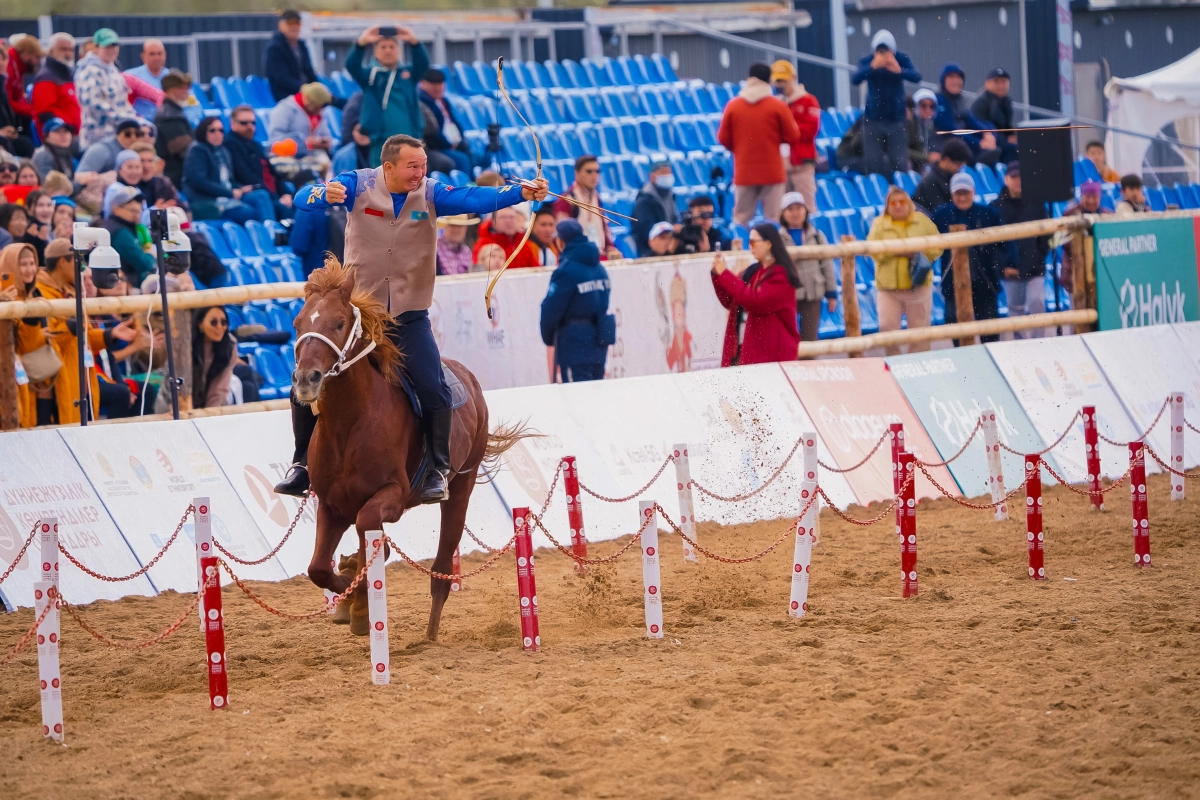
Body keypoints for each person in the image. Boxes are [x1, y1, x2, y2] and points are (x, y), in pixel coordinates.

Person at [279, 133, 549, 500]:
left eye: (423, 165)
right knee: (306, 381)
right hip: (358, 318)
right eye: (412, 166)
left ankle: (437, 468)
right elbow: (302, 198)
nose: (420, 172)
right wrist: (321, 195)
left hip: (408, 317)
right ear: (388, 166)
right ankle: (301, 465)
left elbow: (473, 197)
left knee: (433, 385)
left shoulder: (432, 192)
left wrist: (521, 194)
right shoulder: (356, 184)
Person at [717, 62, 800, 226]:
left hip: (744, 170)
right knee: (774, 218)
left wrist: (740, 149)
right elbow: (793, 135)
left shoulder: (734, 106)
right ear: (769, 80)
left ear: (749, 79)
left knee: (741, 218)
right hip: (772, 171)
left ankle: (740, 251)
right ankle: (773, 251)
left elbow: (722, 138)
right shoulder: (777, 106)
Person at [712, 223, 800, 367]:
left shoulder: (780, 275)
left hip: (773, 356)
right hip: (748, 349)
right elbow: (730, 301)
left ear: (768, 244)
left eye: (753, 242)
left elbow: (756, 301)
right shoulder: (754, 272)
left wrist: (725, 274)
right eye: (749, 242)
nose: (750, 246)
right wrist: (717, 275)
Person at [868, 186, 943, 355]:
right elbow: (873, 250)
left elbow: (938, 246)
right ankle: (895, 361)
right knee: (887, 327)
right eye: (893, 203)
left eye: (902, 202)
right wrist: (898, 251)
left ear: (909, 203)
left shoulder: (922, 221)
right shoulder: (879, 224)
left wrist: (919, 252)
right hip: (888, 287)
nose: (898, 206)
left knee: (920, 331)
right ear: (887, 206)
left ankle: (918, 363)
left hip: (918, 284)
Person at [38, 237, 105, 423]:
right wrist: (70, 327)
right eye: (77, 261)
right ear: (62, 262)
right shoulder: (40, 294)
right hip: (56, 380)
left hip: (79, 375)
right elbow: (48, 339)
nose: (81, 266)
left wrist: (109, 336)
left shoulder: (71, 292)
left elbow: (86, 337)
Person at [932, 172, 1004, 343]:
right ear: (952, 194)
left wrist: (1004, 266)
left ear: (973, 192)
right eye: (958, 193)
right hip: (952, 282)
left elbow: (1004, 244)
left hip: (984, 281)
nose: (962, 197)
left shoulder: (989, 214)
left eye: (965, 192)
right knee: (953, 321)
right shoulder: (941, 215)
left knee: (990, 326)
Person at [539, 219, 611, 382]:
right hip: (598, 343)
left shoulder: (566, 271)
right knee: (597, 395)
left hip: (574, 346)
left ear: (561, 241)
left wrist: (548, 338)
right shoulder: (600, 268)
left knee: (577, 399)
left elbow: (550, 309)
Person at [346, 26, 428, 166]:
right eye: (383, 47)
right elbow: (351, 65)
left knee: (413, 177)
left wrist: (414, 42)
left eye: (392, 46)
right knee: (380, 180)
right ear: (375, 52)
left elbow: (423, 64)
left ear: (399, 51)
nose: (388, 50)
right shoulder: (369, 75)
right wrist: (362, 42)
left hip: (410, 137)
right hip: (380, 140)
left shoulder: (408, 73)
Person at [990, 162, 1049, 338]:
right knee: (1015, 310)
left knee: (1037, 303)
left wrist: (1038, 258)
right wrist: (1003, 266)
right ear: (1006, 179)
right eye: (1014, 177)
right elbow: (993, 243)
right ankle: (1021, 346)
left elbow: (1046, 236)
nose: (1018, 182)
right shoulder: (995, 207)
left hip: (1034, 267)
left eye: (1021, 178)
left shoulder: (1037, 204)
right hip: (1009, 269)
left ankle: (1040, 344)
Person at [852, 30, 921, 176]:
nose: (884, 55)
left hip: (896, 119)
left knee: (899, 163)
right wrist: (872, 67)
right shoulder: (869, 61)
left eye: (886, 50)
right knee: (873, 164)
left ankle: (899, 194)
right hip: (873, 119)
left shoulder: (900, 59)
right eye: (880, 50)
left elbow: (916, 77)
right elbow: (855, 79)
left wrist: (899, 71)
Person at [183, 116, 276, 223]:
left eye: (221, 130)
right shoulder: (197, 150)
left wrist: (240, 188)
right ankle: (266, 235)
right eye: (212, 130)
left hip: (226, 196)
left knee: (261, 195)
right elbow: (199, 182)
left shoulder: (223, 151)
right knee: (248, 211)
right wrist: (230, 193)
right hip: (205, 201)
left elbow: (229, 180)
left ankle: (273, 232)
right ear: (203, 131)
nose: (217, 134)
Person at [777, 192, 836, 345]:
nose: (795, 212)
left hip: (813, 294)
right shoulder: (777, 238)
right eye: (790, 209)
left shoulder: (817, 236)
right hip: (787, 296)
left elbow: (827, 265)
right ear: (783, 213)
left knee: (810, 338)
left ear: (805, 211)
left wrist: (831, 294)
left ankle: (809, 367)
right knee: (786, 338)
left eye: (799, 208)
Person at [226, 104, 293, 218]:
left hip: (272, 194)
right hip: (258, 194)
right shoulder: (230, 145)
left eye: (253, 123)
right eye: (244, 123)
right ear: (233, 124)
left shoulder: (256, 145)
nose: (250, 126)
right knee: (281, 208)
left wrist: (286, 194)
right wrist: (277, 198)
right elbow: (246, 176)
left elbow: (274, 175)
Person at [770, 59, 820, 212]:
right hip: (781, 165)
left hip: (801, 164)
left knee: (807, 207)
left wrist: (787, 128)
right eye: (778, 81)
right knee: (782, 210)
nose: (781, 85)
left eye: (784, 80)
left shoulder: (808, 100)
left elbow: (810, 130)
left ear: (793, 78)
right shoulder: (775, 103)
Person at [75, 28, 137, 148]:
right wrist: (124, 120)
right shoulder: (88, 71)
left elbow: (123, 102)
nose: (111, 50)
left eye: (114, 46)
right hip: (97, 141)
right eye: (107, 46)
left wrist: (134, 119)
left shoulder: (114, 71)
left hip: (118, 137)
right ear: (96, 48)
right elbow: (94, 105)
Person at [552, 155, 621, 259]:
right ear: (577, 173)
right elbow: (563, 238)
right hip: (579, 258)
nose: (594, 176)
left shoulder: (596, 197)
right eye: (589, 171)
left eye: (597, 171)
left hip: (599, 255)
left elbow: (604, 227)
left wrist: (610, 247)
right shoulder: (566, 200)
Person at [933, 63, 1001, 166]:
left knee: (990, 127)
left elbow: (971, 119)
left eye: (958, 77)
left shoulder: (959, 100)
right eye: (951, 77)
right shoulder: (939, 99)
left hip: (965, 139)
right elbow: (949, 129)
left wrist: (986, 134)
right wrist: (979, 143)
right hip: (949, 143)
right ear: (943, 80)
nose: (955, 81)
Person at [97, 184, 156, 283]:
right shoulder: (121, 232)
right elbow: (143, 263)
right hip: (124, 285)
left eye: (139, 212)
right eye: (132, 210)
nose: (137, 216)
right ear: (116, 209)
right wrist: (150, 254)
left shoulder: (114, 226)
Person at [417, 69, 471, 176]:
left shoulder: (444, 101)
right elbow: (431, 133)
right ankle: (464, 189)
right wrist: (449, 145)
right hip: (436, 148)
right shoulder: (422, 103)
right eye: (433, 83)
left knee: (477, 155)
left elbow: (454, 123)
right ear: (422, 84)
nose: (437, 87)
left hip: (451, 144)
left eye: (440, 83)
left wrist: (460, 141)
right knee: (462, 159)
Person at [32, 33, 79, 139]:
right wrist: (67, 128)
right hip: (60, 137)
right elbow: (44, 113)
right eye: (63, 49)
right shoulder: (46, 78)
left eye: (71, 50)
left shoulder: (70, 74)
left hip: (76, 134)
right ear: (51, 51)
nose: (68, 53)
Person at [267, 82, 334, 157]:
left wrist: (326, 143)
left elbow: (326, 135)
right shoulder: (284, 109)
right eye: (316, 107)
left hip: (315, 159)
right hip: (289, 160)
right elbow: (274, 140)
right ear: (308, 100)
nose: (319, 111)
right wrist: (304, 143)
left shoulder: (318, 113)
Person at [191, 307, 239, 409]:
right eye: (213, 322)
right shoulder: (186, 346)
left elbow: (219, 389)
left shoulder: (229, 346)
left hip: (211, 409)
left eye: (224, 322)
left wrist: (209, 417)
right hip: (176, 409)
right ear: (200, 324)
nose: (219, 327)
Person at [153, 69, 193, 189]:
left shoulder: (173, 113)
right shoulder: (170, 117)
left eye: (187, 88)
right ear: (170, 90)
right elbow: (185, 153)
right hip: (176, 178)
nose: (186, 92)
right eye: (181, 88)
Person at [264, 10, 317, 102]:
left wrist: (317, 88)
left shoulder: (302, 46)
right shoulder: (275, 48)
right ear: (281, 25)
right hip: (286, 96)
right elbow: (281, 78)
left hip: (305, 94)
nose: (294, 26)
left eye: (297, 23)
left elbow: (309, 72)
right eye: (290, 23)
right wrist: (305, 90)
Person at [913, 138, 970, 215]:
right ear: (947, 160)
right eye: (958, 165)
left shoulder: (951, 177)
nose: (959, 168)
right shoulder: (930, 182)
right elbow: (941, 214)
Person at [632, 160, 678, 256]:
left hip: (668, 248)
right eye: (663, 172)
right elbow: (645, 231)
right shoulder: (645, 200)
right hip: (650, 253)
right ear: (652, 176)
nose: (667, 176)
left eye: (669, 172)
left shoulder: (670, 196)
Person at [77, 117, 143, 182]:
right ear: (117, 135)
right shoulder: (101, 150)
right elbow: (79, 177)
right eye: (127, 134)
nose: (133, 138)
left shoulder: (139, 150)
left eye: (137, 134)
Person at [472, 205, 538, 269]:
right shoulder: (484, 243)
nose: (508, 221)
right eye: (503, 217)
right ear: (492, 221)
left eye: (512, 217)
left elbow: (536, 268)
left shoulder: (523, 242)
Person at [970, 68, 1017, 155]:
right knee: (1012, 149)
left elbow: (1007, 127)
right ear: (987, 84)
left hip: (1001, 142)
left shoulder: (1006, 101)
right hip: (986, 145)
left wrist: (1013, 136)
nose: (1001, 86)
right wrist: (1006, 140)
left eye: (1003, 82)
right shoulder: (981, 103)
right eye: (997, 82)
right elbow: (981, 128)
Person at [31, 117, 75, 181]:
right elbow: (49, 186)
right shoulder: (43, 155)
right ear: (46, 137)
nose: (63, 135)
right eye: (57, 131)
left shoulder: (65, 153)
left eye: (66, 131)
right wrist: (79, 183)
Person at [908, 89, 938, 171]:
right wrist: (927, 157)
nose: (928, 110)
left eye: (931, 106)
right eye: (923, 105)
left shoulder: (930, 126)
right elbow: (903, 151)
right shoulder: (909, 123)